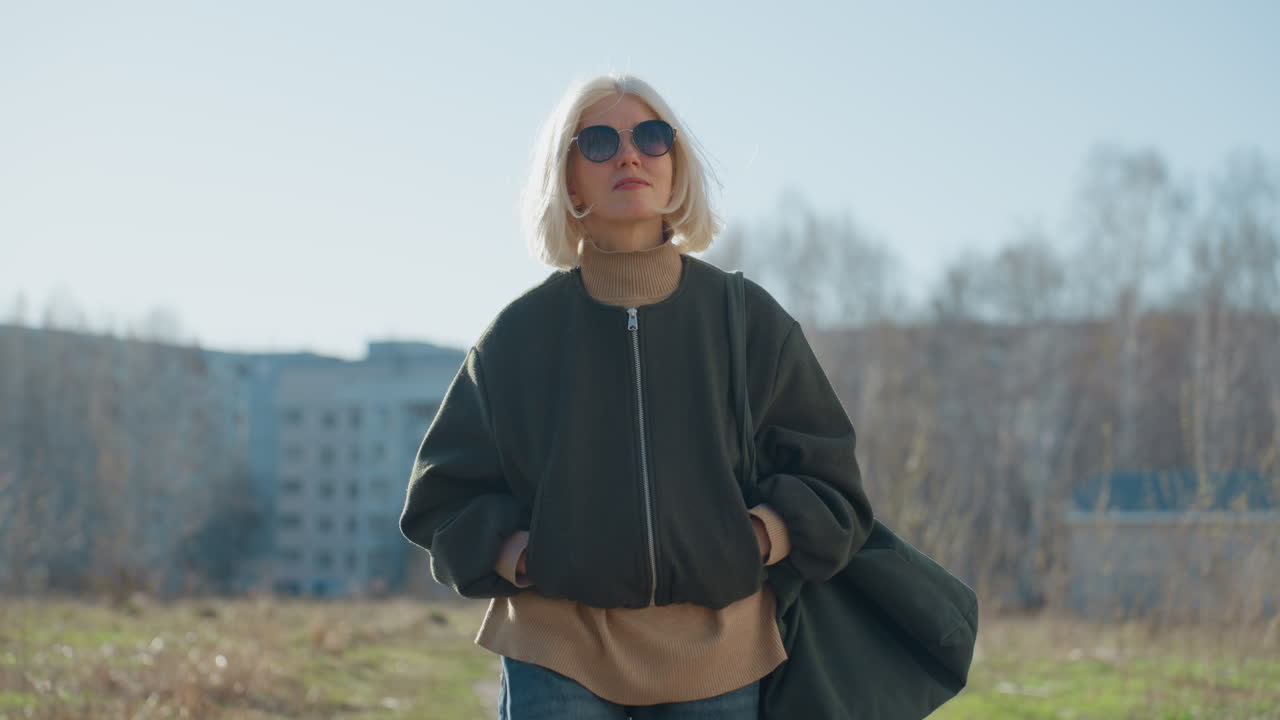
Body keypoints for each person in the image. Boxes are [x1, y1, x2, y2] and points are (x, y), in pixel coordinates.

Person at [399, 73, 874, 720]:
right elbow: (441, 501)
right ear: (566, 179)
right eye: (598, 141)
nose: (629, 155)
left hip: (720, 652)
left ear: (676, 167)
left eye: (651, 138)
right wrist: (526, 558)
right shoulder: (518, 336)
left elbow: (830, 484)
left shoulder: (746, 320)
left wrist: (754, 540)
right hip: (557, 649)